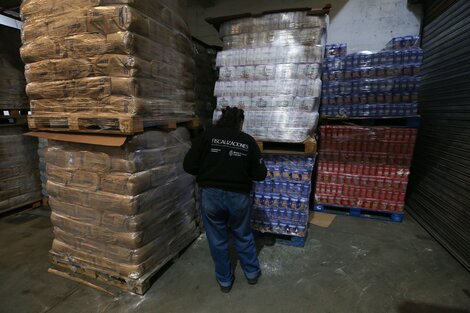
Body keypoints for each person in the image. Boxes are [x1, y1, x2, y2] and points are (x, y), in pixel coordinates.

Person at [183, 107, 267, 293]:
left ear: (221, 119)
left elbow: (188, 165)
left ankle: (225, 281)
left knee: (217, 240)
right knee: (243, 235)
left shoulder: (207, 136)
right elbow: (261, 174)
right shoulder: (247, 141)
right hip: (238, 197)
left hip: (211, 196)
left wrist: (207, 172)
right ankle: (252, 274)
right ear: (240, 123)